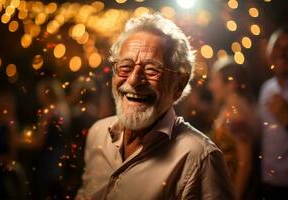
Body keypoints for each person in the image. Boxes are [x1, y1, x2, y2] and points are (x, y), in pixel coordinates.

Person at [76, 14, 234, 200]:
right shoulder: (98, 134)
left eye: (152, 69)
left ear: (179, 84)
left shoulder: (199, 160)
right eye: (125, 67)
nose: (134, 80)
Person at [208, 58, 261, 200]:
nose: (211, 86)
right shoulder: (229, 109)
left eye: (215, 80)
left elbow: (245, 164)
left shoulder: (236, 114)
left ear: (231, 84)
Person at [259, 26, 288, 199]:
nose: (282, 54)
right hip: (268, 182)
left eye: (287, 49)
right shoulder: (266, 88)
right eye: (277, 47)